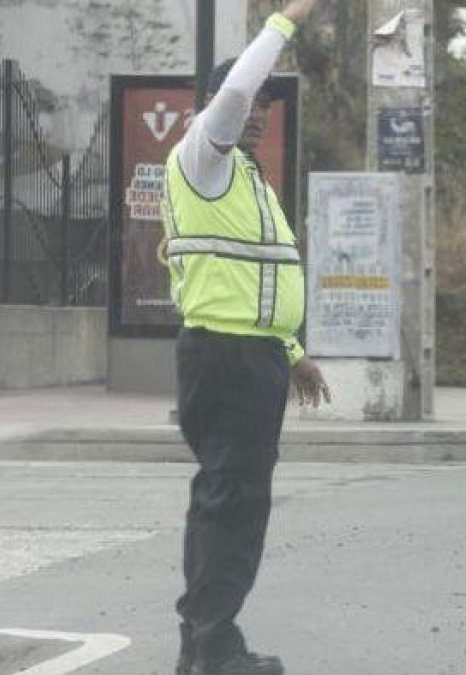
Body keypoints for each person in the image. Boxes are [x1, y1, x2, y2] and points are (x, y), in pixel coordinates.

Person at [160, 1, 329, 673]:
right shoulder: (204, 155)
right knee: (233, 502)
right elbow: (233, 92)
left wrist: (292, 352)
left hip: (248, 357)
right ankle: (211, 647)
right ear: (216, 105)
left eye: (267, 103)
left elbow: (254, 281)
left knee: (228, 501)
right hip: (225, 360)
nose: (257, 110)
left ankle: (202, 640)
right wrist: (286, 20)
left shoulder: (245, 182)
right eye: (248, 100)